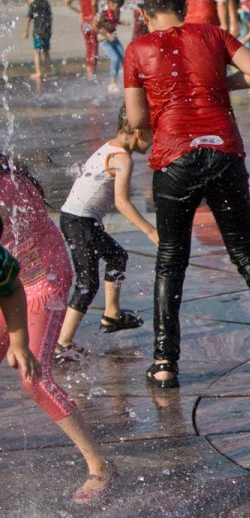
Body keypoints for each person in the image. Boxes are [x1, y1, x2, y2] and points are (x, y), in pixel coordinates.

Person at [124, 0, 250, 389]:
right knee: (245, 250)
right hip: (224, 152)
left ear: (144, 11)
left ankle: (165, 361)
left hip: (175, 159)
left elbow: (136, 121)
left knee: (171, 259)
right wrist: (223, 84)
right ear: (183, 5)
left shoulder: (139, 49)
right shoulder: (212, 34)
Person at [1, 154, 115, 504]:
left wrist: (16, 340)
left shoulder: (8, 184)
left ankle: (100, 465)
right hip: (7, 281)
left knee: (33, 377)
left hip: (40, 280)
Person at [55, 107, 157, 361]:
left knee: (117, 257)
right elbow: (122, 202)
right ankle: (61, 344)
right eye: (152, 133)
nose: (154, 140)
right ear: (138, 130)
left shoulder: (110, 146)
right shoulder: (123, 158)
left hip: (76, 219)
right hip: (81, 222)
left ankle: (112, 315)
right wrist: (150, 230)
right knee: (87, 284)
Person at [66, 0, 101, 82]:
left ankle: (88, 72)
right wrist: (96, 17)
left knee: (88, 46)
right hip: (92, 20)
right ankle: (93, 73)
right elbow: (94, 3)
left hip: (84, 21)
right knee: (94, 46)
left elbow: (67, 2)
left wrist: (79, 12)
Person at [94, 0, 126, 93]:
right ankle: (112, 84)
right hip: (104, 40)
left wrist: (121, 22)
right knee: (115, 59)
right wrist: (108, 35)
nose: (119, 8)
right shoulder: (103, 14)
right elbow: (95, 26)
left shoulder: (117, 12)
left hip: (113, 38)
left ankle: (129, 81)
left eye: (120, 6)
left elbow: (113, 22)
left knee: (124, 58)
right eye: (118, 6)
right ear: (110, 3)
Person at [23, 0, 52, 82]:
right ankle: (47, 72)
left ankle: (38, 72)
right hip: (46, 31)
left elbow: (28, 19)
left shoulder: (33, 4)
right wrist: (49, 29)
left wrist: (26, 31)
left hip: (37, 32)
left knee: (37, 52)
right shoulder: (45, 2)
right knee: (46, 51)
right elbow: (50, 17)